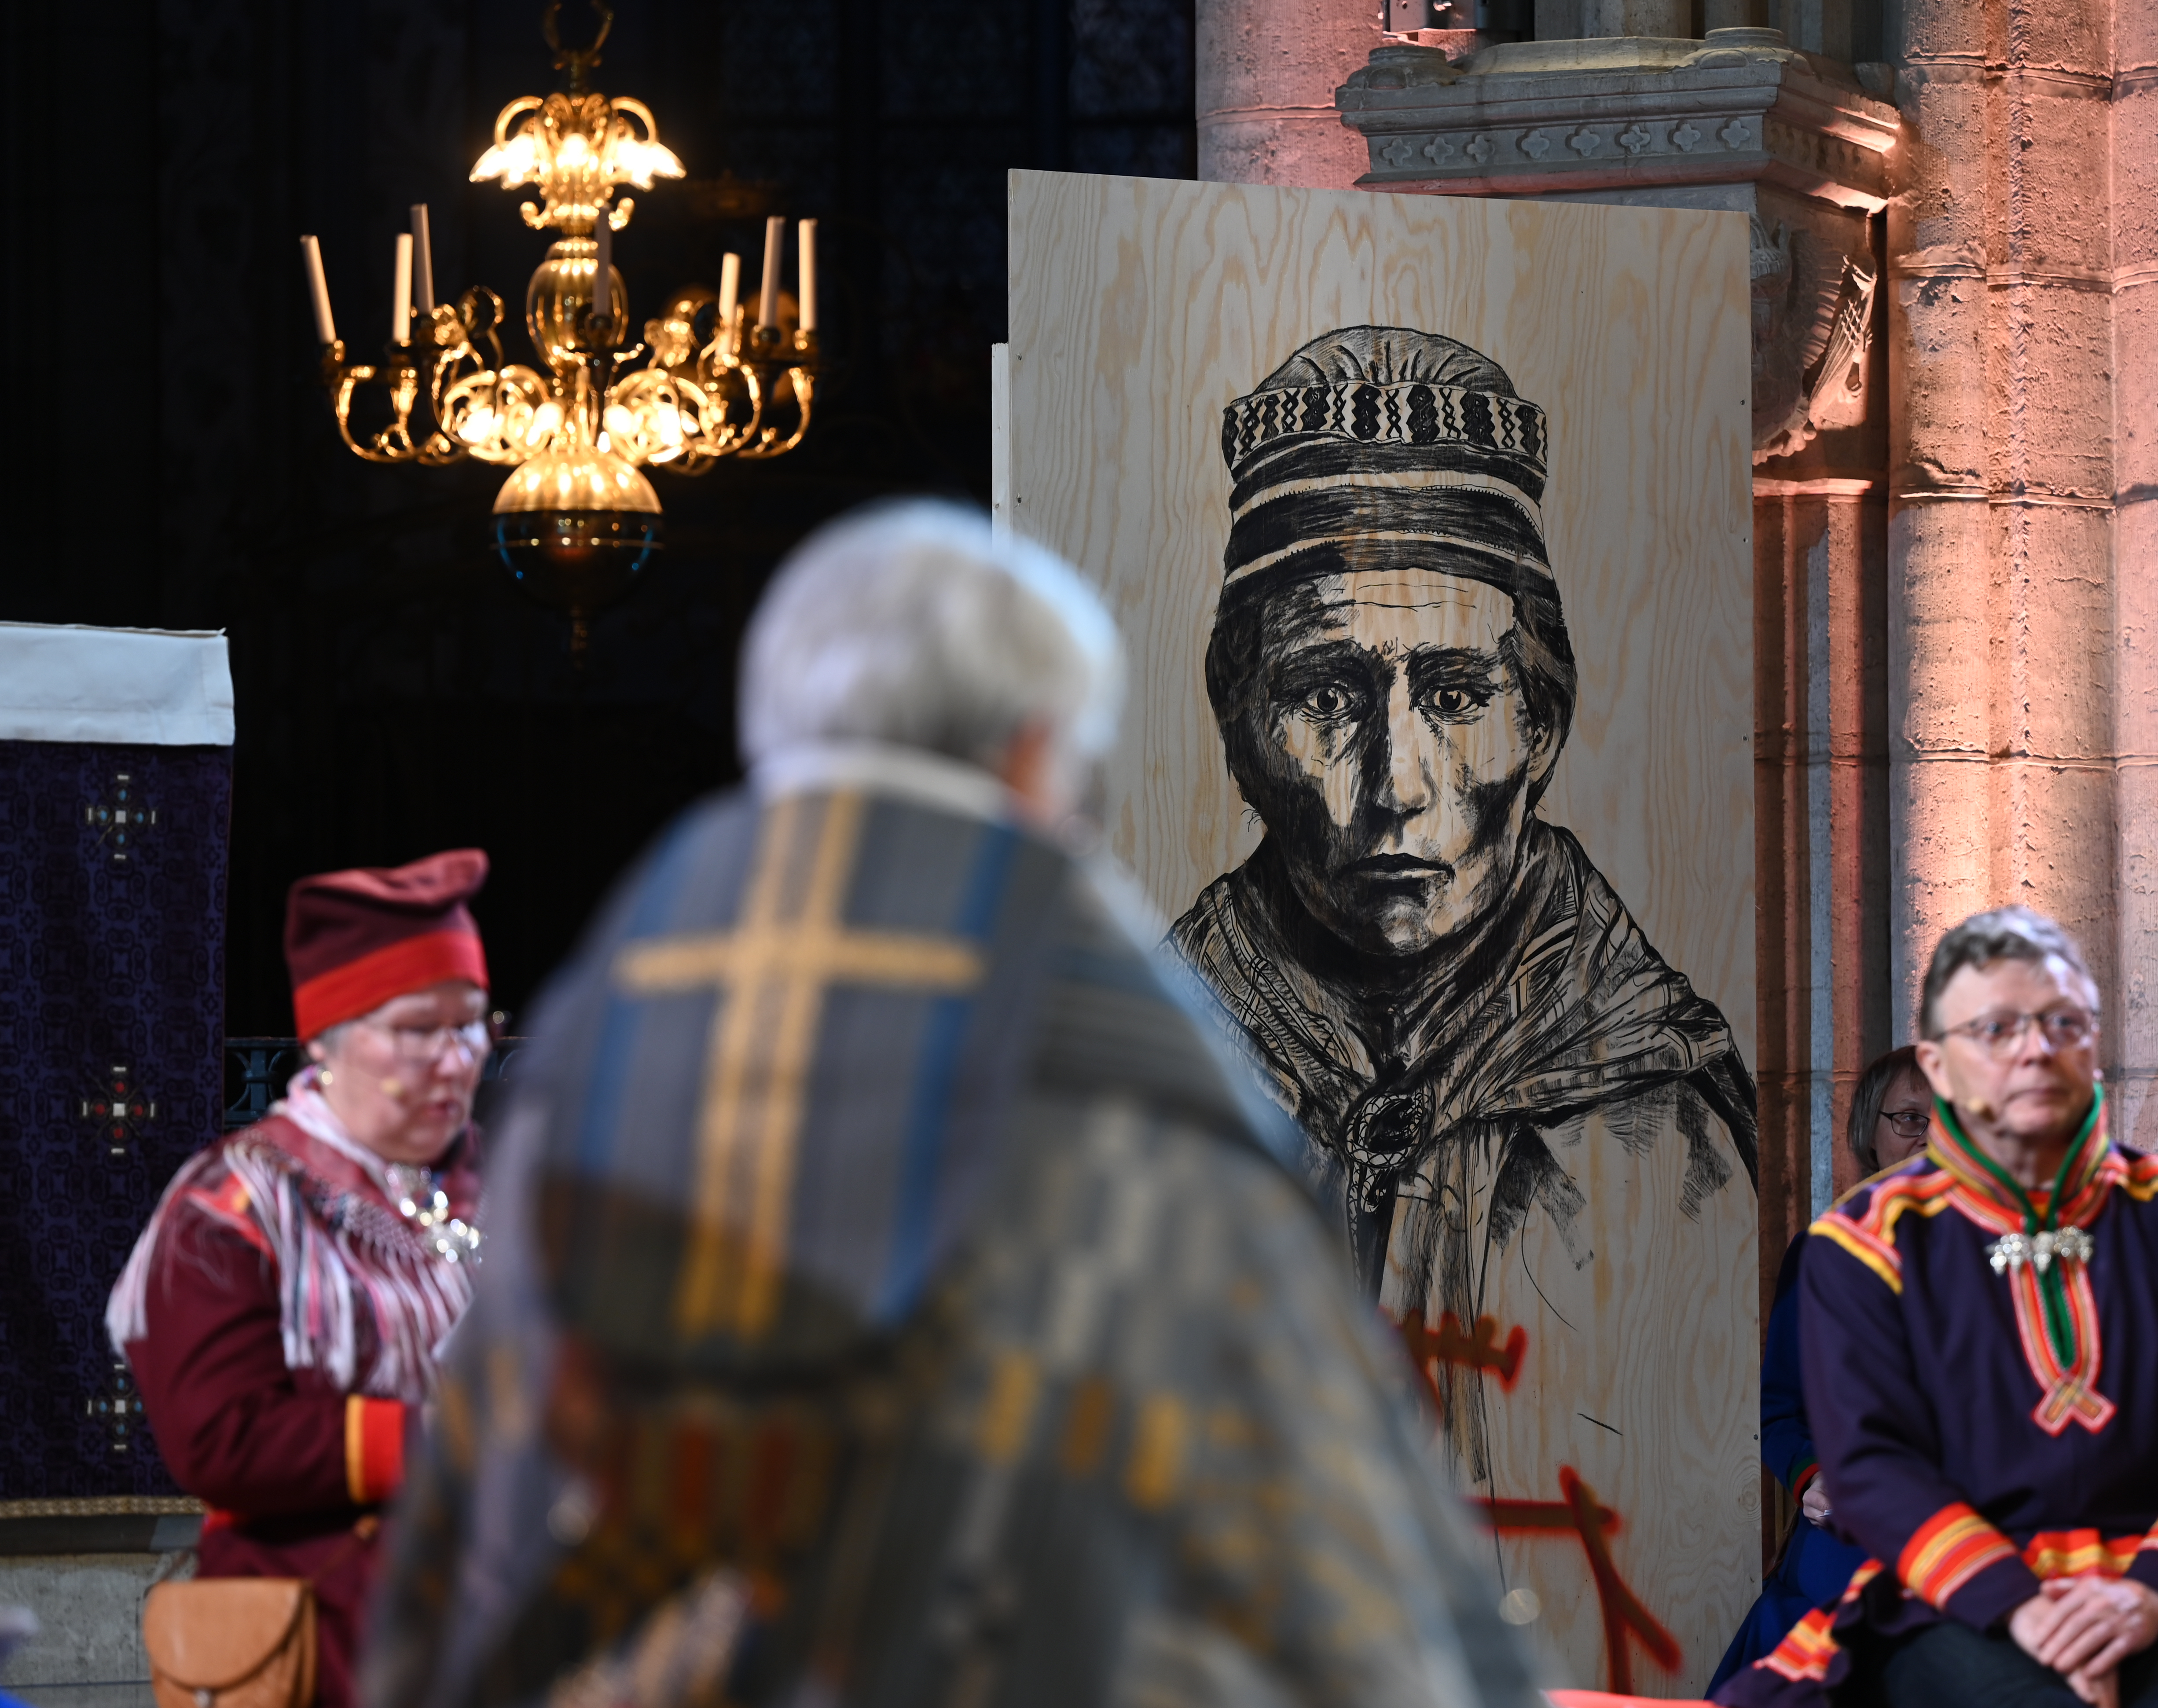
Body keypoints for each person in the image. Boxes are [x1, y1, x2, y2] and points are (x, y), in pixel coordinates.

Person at [359, 502, 1538, 1708]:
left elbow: (478, 1514)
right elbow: (1344, 1559)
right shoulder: (1115, 1049)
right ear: (1037, 753)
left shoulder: (591, 1034)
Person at [1165, 324, 1758, 1508]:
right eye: (1326, 695)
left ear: (1540, 726)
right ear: (1240, 730)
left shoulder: (1655, 1119)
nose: (1399, 782)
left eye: (1455, 694)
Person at [1714, 907, 2158, 1708]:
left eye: (2062, 1024)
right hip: (1948, 1598)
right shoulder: (1861, 1247)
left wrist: (2146, 1599)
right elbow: (1874, 1466)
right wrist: (2018, 1611)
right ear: (1939, 1066)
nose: (2035, 1052)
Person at [110, 852, 493, 1708]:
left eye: (469, 1024)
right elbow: (217, 1436)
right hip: (318, 1632)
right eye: (415, 1029)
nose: (453, 1058)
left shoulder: (488, 1184)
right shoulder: (231, 1205)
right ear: (328, 1037)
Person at [1710, 1046, 1934, 1688]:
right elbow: (1780, 1408)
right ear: (1870, 1133)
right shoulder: (1827, 1251)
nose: (1934, 1137)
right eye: (1911, 1119)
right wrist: (1812, 1477)